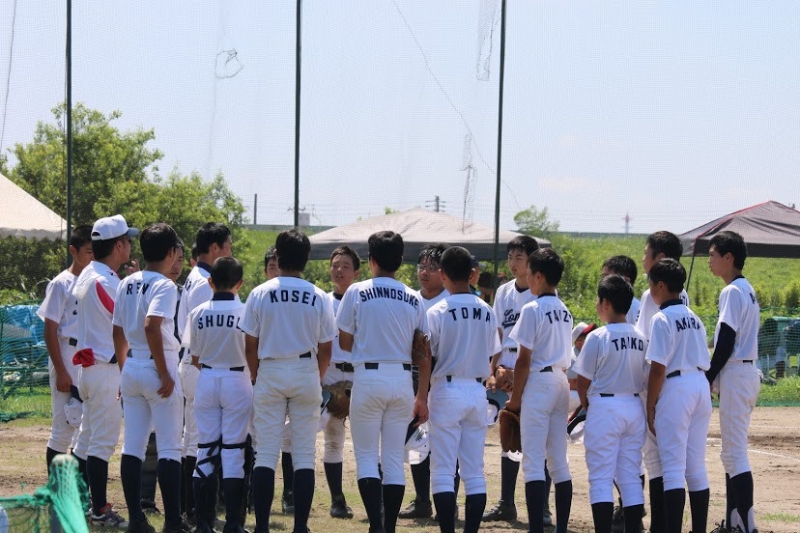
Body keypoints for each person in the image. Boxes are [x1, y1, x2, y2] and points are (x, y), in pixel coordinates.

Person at [242, 229, 336, 533]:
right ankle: (300, 527)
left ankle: (262, 527)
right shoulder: (318, 295)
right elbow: (326, 348)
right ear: (306, 259)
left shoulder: (260, 292)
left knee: (266, 453)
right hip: (305, 368)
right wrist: (314, 378)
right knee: (304, 454)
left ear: (278, 256)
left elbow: (250, 344)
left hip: (269, 368)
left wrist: (256, 374)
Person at [337, 231, 430, 533]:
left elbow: (345, 342)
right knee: (392, 460)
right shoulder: (414, 297)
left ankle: (375, 526)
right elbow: (423, 352)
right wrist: (422, 395)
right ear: (400, 261)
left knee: (366, 458)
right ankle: (388, 527)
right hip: (402, 379)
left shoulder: (357, 291)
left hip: (368, 376)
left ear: (371, 260)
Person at [113, 223, 184, 533]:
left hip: (131, 364)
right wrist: (164, 372)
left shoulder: (126, 282)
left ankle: (136, 520)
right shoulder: (165, 285)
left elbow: (117, 330)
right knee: (169, 448)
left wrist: (124, 370)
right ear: (171, 252)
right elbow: (152, 326)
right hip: (158, 364)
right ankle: (172, 522)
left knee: (133, 447)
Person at [426, 246, 501, 533]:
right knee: (474, 471)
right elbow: (493, 352)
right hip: (477, 391)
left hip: (446, 389)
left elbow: (427, 357)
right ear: (471, 274)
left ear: (442, 274)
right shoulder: (487, 310)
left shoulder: (437, 311)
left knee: (443, 471)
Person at [72, 214, 139, 527]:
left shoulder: (91, 272)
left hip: (92, 366)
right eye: (127, 240)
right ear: (119, 246)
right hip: (104, 369)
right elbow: (126, 321)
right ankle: (99, 509)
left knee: (87, 440)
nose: (130, 245)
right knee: (100, 443)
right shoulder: (105, 281)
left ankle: (76, 503)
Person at [505, 248, 574, 533]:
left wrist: (515, 400)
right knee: (558, 461)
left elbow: (523, 360)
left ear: (539, 276)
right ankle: (561, 529)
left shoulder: (532, 308)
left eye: (530, 272)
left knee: (533, 462)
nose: (528, 277)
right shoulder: (565, 310)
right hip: (560, 381)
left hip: (539, 383)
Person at [573, 275, 647, 533]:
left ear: (606, 303)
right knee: (630, 476)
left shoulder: (598, 337)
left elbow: (582, 382)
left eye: (598, 300)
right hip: (634, 407)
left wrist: (588, 407)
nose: (597, 305)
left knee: (601, 478)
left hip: (605, 407)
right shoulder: (641, 335)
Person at [645, 259, 711, 533]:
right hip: (701, 386)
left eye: (651, 284)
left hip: (676, 389)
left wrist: (650, 405)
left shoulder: (661, 318)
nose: (650, 289)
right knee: (695, 468)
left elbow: (657, 368)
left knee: (672, 469)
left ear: (660, 285)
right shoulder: (694, 317)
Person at [186, 257, 251, 533]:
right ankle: (234, 523)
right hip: (238, 379)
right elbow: (253, 352)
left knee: (205, 449)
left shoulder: (198, 312)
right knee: (234, 452)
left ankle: (203, 523)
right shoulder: (246, 311)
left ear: (210, 282)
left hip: (207, 378)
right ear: (240, 283)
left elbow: (195, 356)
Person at [176, 222, 233, 523]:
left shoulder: (197, 276)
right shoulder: (203, 282)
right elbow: (205, 331)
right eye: (228, 246)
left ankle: (192, 509)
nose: (230, 252)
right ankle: (195, 510)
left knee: (194, 439)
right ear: (214, 248)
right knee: (199, 440)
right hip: (199, 364)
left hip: (193, 363)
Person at [706, 231, 761, 533]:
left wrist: (708, 376)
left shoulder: (731, 291)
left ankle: (747, 527)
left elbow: (726, 340)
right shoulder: (746, 288)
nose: (710, 260)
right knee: (732, 454)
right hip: (745, 373)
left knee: (735, 454)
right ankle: (735, 523)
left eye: (713, 255)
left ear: (729, 258)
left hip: (737, 374)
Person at [483, 235, 540, 524]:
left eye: (519, 257)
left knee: (535, 440)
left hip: (531, 370)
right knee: (509, 435)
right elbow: (497, 334)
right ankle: (506, 502)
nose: (513, 263)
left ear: (532, 261)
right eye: (510, 257)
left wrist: (517, 375)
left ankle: (542, 508)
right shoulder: (504, 292)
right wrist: (493, 371)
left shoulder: (540, 292)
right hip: (505, 366)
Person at [635, 231, 688, 533]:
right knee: (676, 463)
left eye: (647, 253)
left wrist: (647, 399)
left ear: (660, 259)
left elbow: (643, 344)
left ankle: (659, 526)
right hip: (682, 383)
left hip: (656, 382)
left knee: (655, 461)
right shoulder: (682, 295)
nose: (644, 258)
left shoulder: (652, 296)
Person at [400, 243, 449, 520]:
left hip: (442, 375)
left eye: (432, 267)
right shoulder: (412, 300)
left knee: (443, 443)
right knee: (416, 439)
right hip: (414, 376)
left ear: (444, 272)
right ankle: (421, 500)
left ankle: (447, 503)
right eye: (422, 266)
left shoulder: (450, 300)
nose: (425, 272)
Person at [38, 225, 93, 472]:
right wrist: (61, 370)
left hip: (88, 357)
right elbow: (49, 330)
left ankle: (78, 489)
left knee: (85, 429)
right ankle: (58, 490)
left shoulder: (95, 282)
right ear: (73, 250)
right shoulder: (61, 284)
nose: (93, 256)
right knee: (63, 428)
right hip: (66, 353)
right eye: (88, 251)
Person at [323, 246, 361, 519]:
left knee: (366, 441)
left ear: (356, 272)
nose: (339, 270)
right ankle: (337, 500)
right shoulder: (322, 301)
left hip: (360, 375)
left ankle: (377, 500)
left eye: (346, 266)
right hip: (330, 373)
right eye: (335, 265)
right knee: (333, 439)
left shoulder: (363, 301)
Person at [601, 255, 641, 325]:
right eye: (602, 277)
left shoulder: (636, 309)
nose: (602, 282)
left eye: (607, 277)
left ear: (626, 281)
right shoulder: (612, 306)